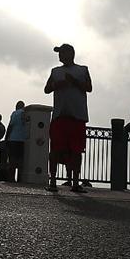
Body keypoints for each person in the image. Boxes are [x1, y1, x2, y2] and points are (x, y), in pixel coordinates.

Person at [44, 43, 92, 193]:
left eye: (62, 53)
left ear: (71, 53)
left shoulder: (83, 70)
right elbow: (47, 89)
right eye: (59, 53)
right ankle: (52, 181)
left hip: (77, 116)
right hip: (60, 115)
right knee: (55, 150)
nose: (60, 56)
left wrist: (75, 81)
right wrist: (59, 84)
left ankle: (75, 182)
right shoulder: (55, 71)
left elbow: (89, 88)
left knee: (77, 150)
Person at [5, 101, 29, 182]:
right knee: (20, 159)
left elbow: (10, 125)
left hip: (13, 138)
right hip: (23, 140)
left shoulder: (15, 113)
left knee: (12, 159)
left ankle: (11, 178)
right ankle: (20, 178)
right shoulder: (26, 114)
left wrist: (6, 137)